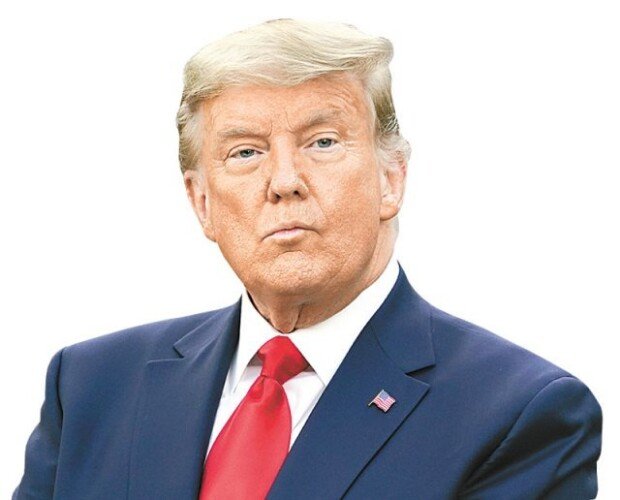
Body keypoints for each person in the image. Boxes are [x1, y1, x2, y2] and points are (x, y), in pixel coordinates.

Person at [14, 18, 602, 499]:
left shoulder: (519, 414)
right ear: (202, 203)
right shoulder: (91, 385)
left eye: (323, 142)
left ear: (391, 178)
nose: (284, 181)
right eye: (245, 152)